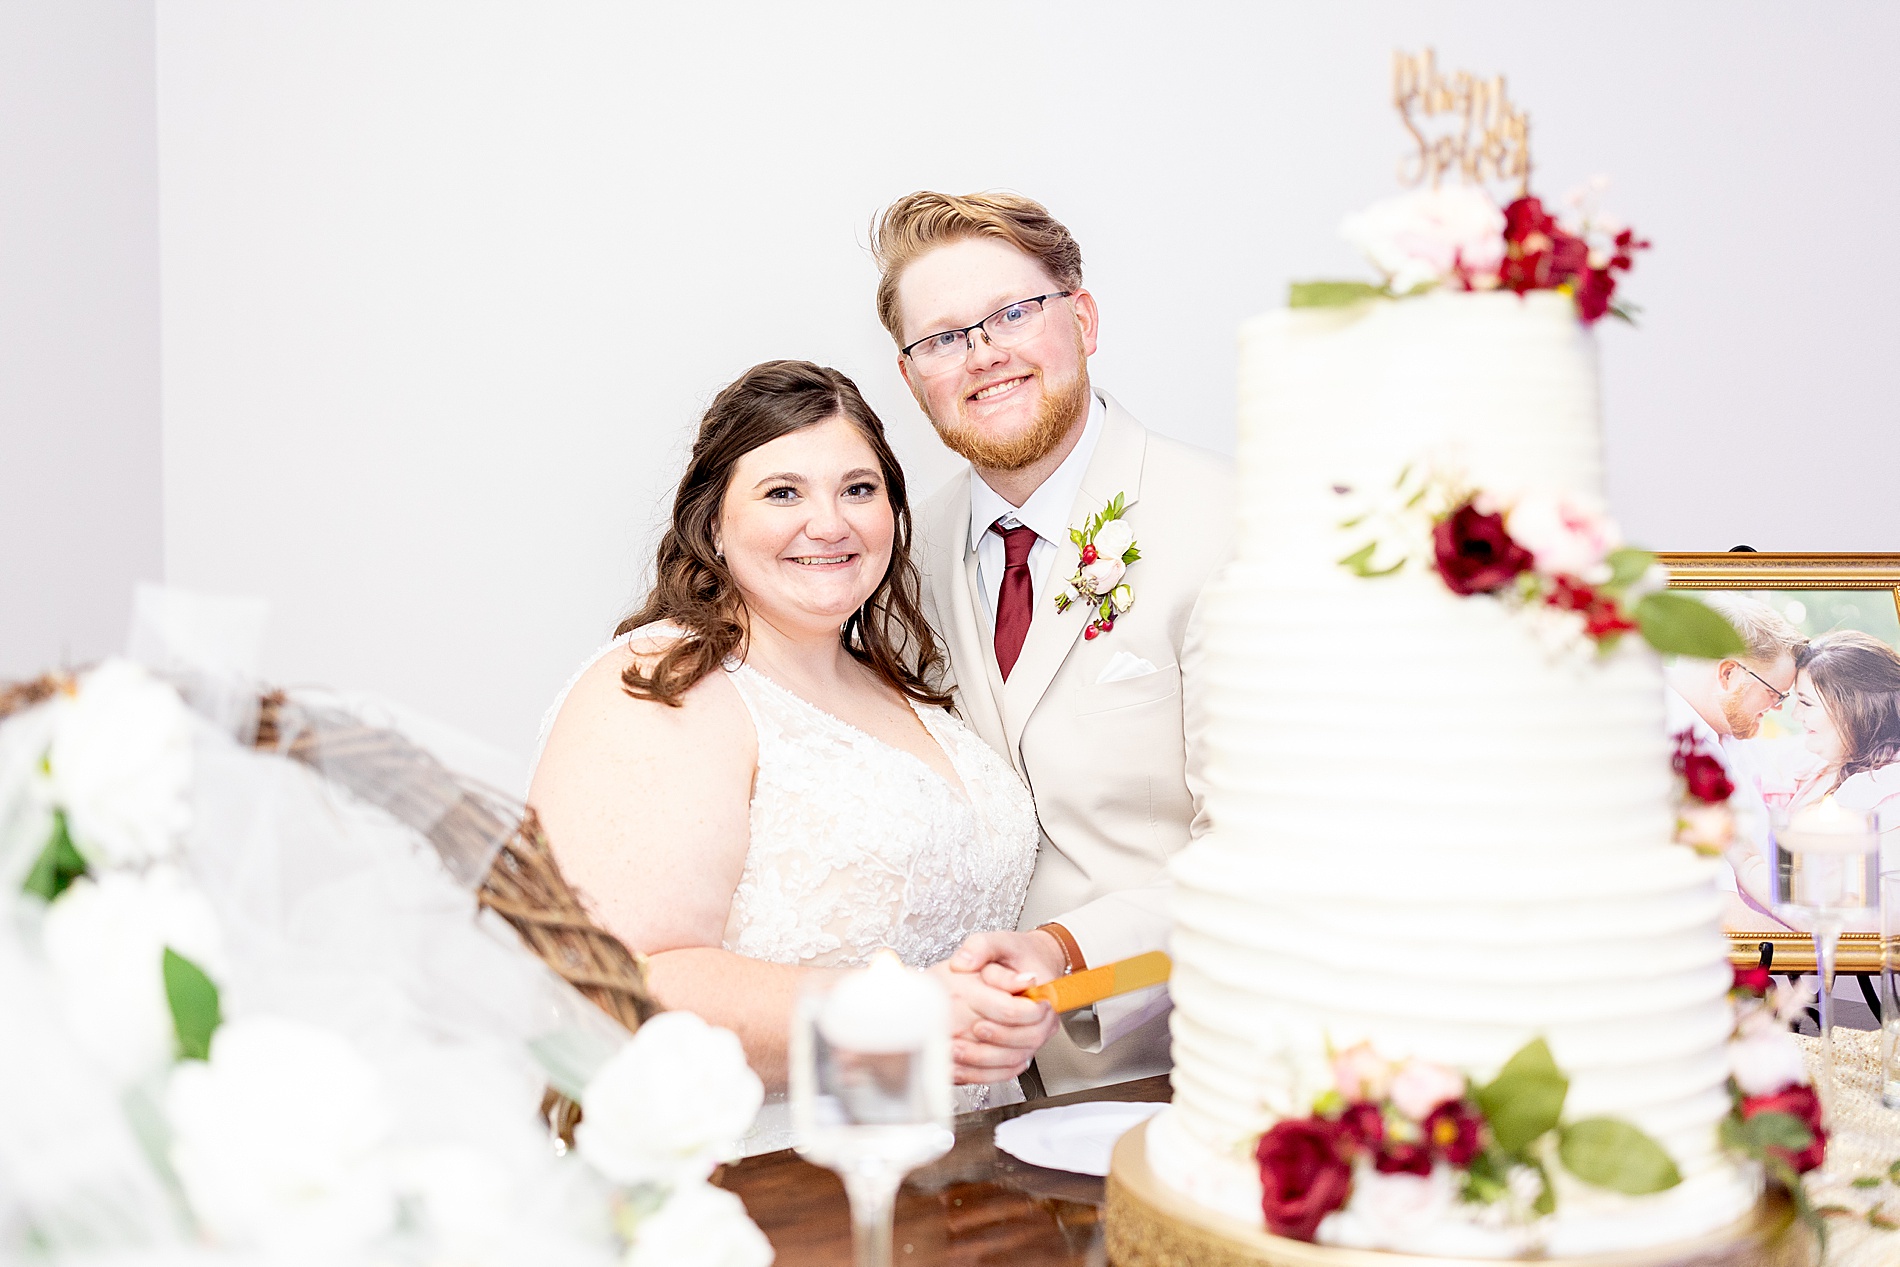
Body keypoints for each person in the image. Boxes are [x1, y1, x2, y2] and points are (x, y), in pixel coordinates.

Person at [527, 360, 1044, 1150]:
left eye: (859, 489)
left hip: (954, 1173)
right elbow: (620, 988)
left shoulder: (909, 688)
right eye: (782, 492)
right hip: (766, 1180)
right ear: (711, 522)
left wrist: (989, 1014)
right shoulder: (664, 686)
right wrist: (902, 1021)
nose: (830, 523)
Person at [869, 191, 1236, 1095]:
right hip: (962, 1103)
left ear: (1083, 318)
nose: (983, 354)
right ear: (913, 377)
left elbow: (1266, 844)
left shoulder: (1233, 522)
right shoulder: (892, 554)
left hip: (1186, 1072)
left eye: (1011, 314)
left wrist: (1066, 950)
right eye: (942, 338)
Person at [1731, 629, 1900, 931]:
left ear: (1853, 710)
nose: (1795, 715)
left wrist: (1750, 866)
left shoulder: (1888, 792)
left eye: (1806, 703)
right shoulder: (1821, 762)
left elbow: (1864, 916)